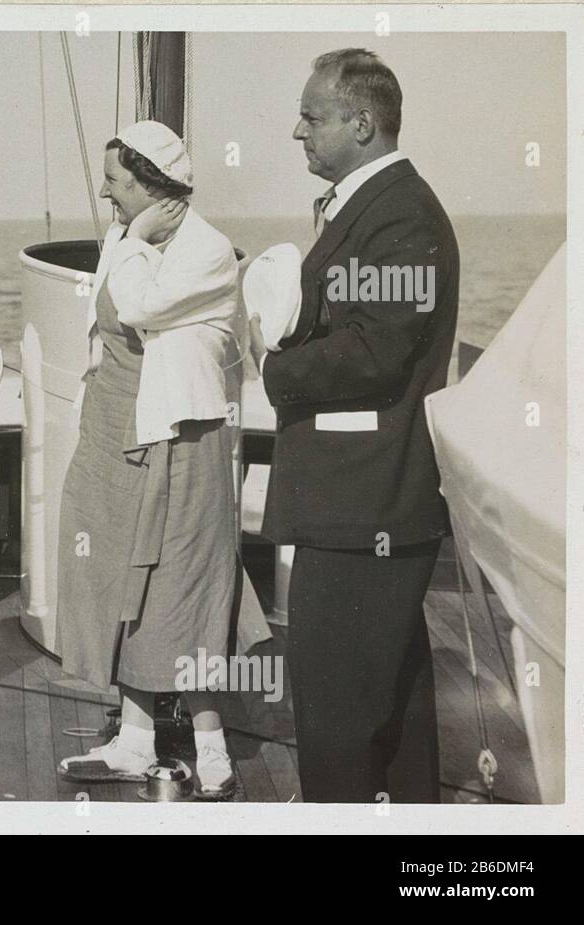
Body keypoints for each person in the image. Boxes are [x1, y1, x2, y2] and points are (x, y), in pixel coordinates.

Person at [251, 49, 458, 802]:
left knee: (338, 720)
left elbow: (376, 347)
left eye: (312, 116)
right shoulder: (375, 207)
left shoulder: (399, 213)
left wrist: (271, 367)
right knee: (392, 719)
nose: (296, 131)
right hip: (367, 505)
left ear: (362, 123)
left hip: (363, 506)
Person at [55, 121, 254, 799]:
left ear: (148, 185)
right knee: (120, 576)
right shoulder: (122, 235)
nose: (104, 192)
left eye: (115, 182)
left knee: (184, 582)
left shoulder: (210, 251)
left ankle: (210, 741)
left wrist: (134, 240)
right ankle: (137, 737)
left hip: (180, 433)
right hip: (115, 429)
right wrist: (130, 236)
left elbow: (139, 305)